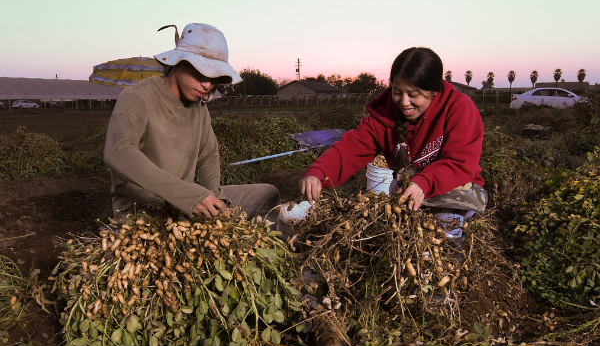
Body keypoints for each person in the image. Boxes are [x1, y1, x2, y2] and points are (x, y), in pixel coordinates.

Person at [104, 23, 280, 222]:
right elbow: (119, 152)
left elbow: (208, 154)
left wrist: (214, 196)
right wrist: (189, 196)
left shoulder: (199, 107)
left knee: (268, 193)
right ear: (178, 62)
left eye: (214, 77)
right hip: (143, 212)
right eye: (201, 72)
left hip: (187, 203)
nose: (207, 84)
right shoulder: (137, 97)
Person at [301, 47, 486, 229]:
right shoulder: (385, 116)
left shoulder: (458, 108)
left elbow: (460, 163)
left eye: (413, 95)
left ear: (434, 90)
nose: (404, 102)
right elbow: (350, 149)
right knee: (396, 223)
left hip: (456, 188)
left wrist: (424, 182)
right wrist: (319, 172)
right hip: (410, 189)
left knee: (445, 223)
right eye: (397, 92)